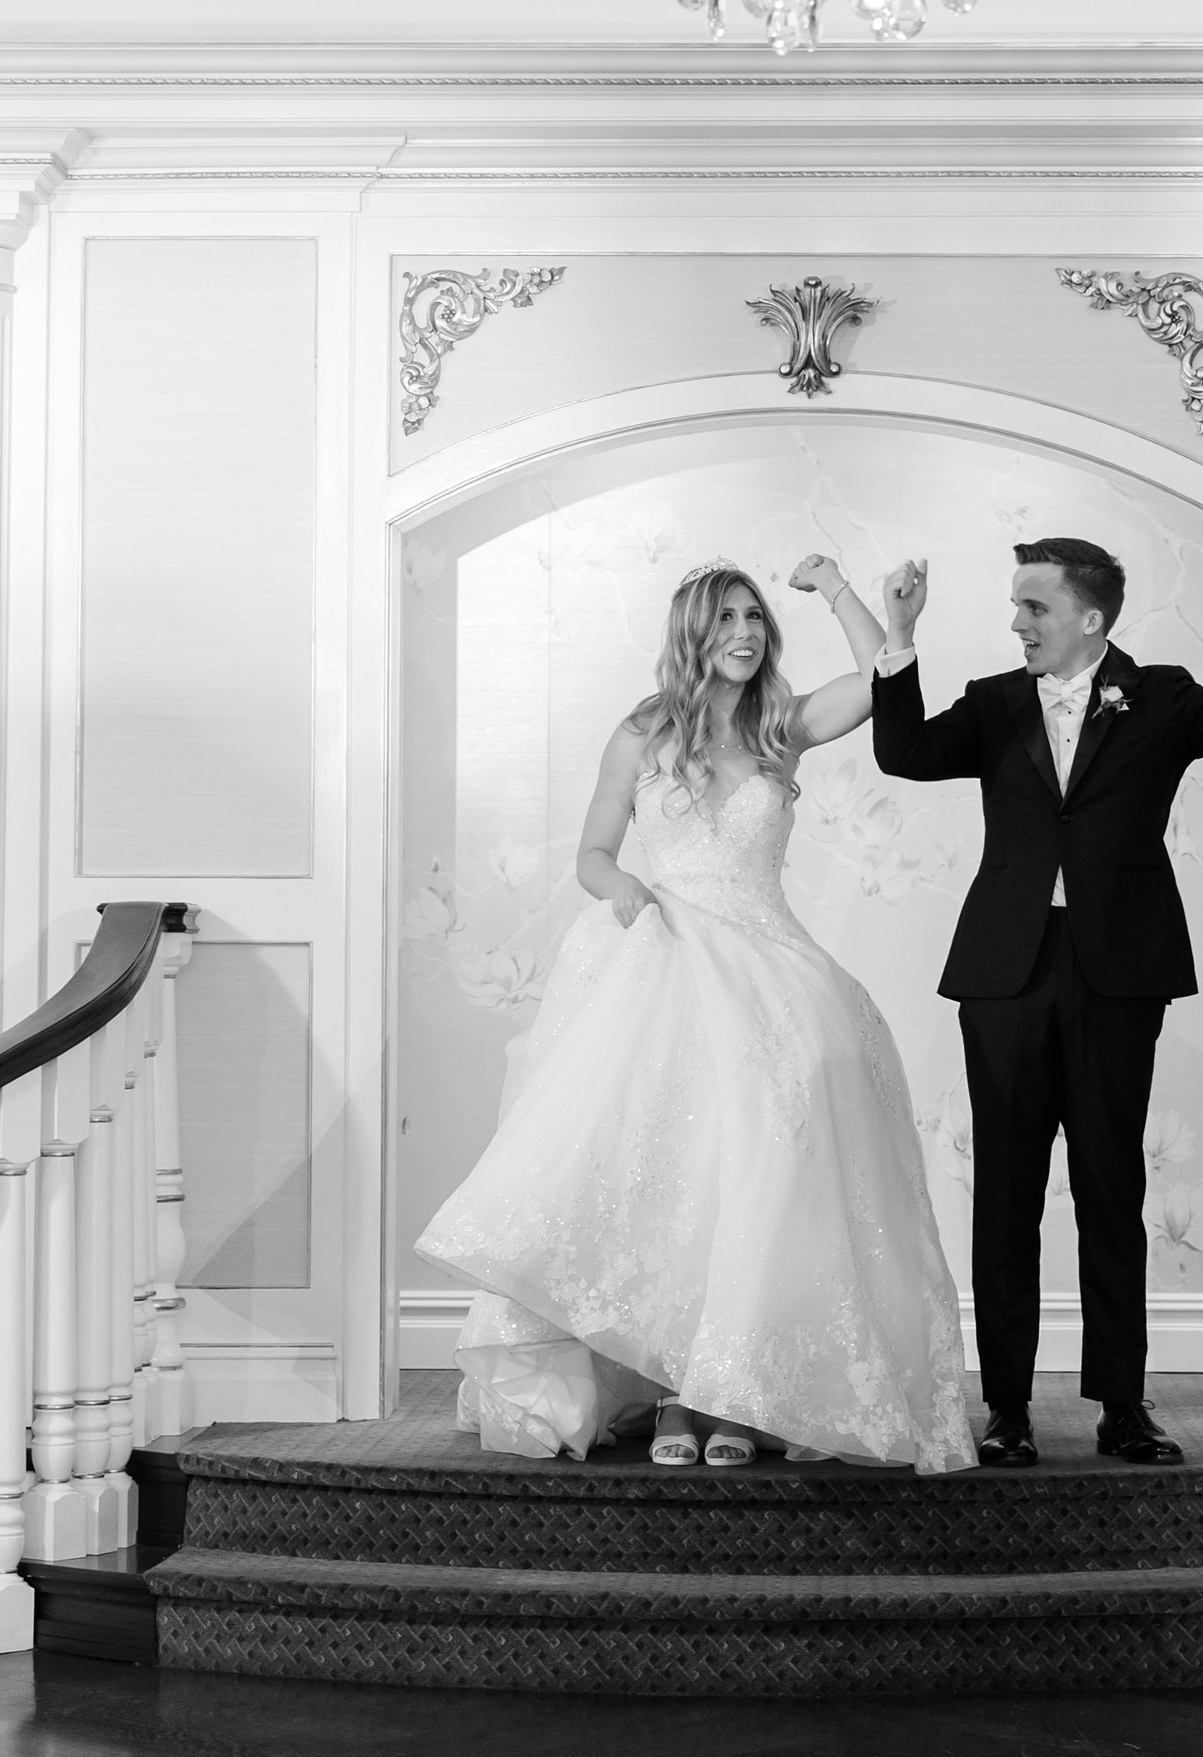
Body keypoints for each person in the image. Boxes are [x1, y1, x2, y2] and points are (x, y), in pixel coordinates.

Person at [417, 557, 975, 1476]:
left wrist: (853, 596)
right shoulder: (641, 733)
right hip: (669, 953)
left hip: (772, 965)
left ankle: (734, 1392)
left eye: (754, 618)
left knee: (764, 1166)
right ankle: (677, 1387)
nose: (746, 634)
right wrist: (625, 889)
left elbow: (882, 683)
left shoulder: (779, 728)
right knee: (675, 1170)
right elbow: (594, 852)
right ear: (693, 635)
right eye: (725, 622)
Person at [871, 526, 1203, 1468]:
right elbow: (903, 751)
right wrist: (899, 636)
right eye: (1017, 605)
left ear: (1091, 617)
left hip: (1120, 971)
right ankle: (1007, 1411)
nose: (1018, 622)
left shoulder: (1161, 698)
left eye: (1034, 605)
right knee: (1006, 1196)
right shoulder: (994, 704)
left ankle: (1123, 1407)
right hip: (1006, 976)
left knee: (1112, 1188)